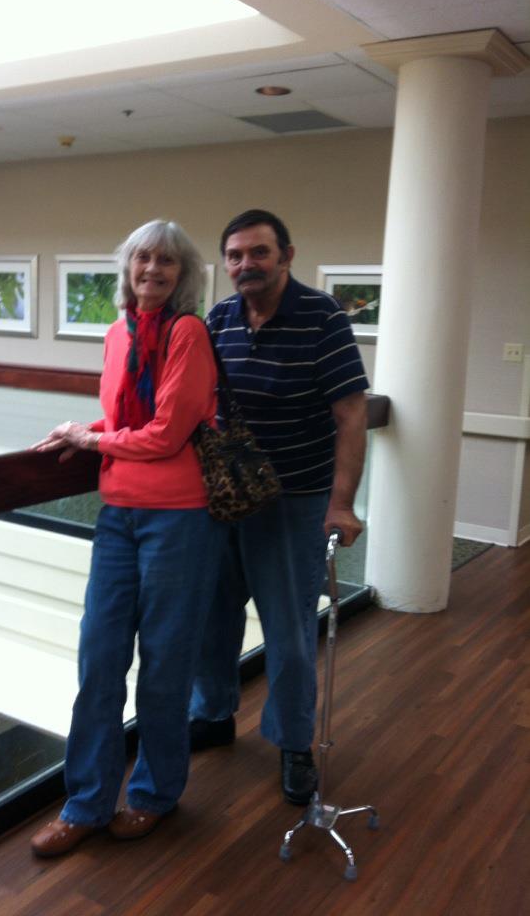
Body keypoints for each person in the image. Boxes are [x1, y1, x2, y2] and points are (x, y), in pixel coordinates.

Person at [29, 220, 223, 857]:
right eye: (143, 258)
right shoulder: (117, 334)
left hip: (179, 517)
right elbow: (123, 419)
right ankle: (85, 805)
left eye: (167, 261)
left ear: (183, 275)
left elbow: (167, 433)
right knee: (99, 661)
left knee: (164, 664)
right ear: (128, 268)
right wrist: (81, 432)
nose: (153, 270)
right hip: (117, 516)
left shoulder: (188, 332)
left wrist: (94, 441)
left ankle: (154, 795)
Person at [189, 208, 368, 806]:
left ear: (286, 256)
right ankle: (213, 714)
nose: (247, 264)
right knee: (212, 617)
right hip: (227, 498)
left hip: (296, 501)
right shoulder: (218, 318)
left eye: (259, 252)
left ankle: (294, 744)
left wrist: (341, 505)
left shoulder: (323, 317)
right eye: (235, 255)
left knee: (289, 631)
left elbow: (351, 416)